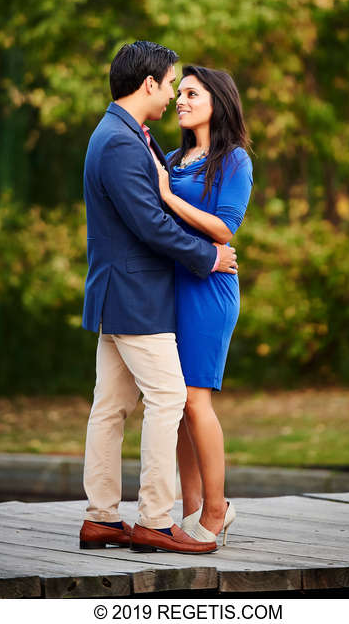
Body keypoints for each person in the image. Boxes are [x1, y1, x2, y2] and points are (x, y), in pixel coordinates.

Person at [79, 41, 238, 555]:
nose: (172, 95)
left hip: (120, 293)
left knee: (111, 406)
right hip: (137, 295)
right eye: (171, 84)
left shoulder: (121, 134)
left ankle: (102, 518)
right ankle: (154, 520)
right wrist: (208, 257)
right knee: (169, 399)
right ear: (148, 84)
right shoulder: (124, 143)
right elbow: (149, 223)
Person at [152, 65, 253, 546]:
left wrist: (168, 195)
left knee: (196, 401)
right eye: (180, 94)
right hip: (171, 289)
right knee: (175, 404)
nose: (181, 101)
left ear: (218, 100)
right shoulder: (172, 158)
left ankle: (217, 510)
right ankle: (189, 512)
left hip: (209, 291)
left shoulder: (233, 161)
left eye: (191, 93)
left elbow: (224, 228)